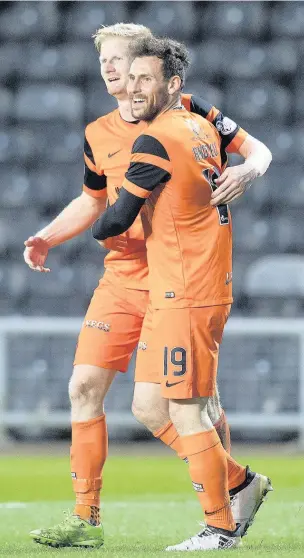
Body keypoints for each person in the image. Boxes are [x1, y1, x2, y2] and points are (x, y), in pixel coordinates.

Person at [25, 24, 272, 549]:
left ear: (152, 69)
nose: (114, 71)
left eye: (125, 61)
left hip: (175, 274)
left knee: (178, 404)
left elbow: (257, 153)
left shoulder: (187, 112)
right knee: (85, 388)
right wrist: (48, 235)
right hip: (124, 280)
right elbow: (94, 200)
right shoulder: (97, 133)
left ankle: (224, 511)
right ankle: (86, 519)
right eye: (106, 64)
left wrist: (248, 173)